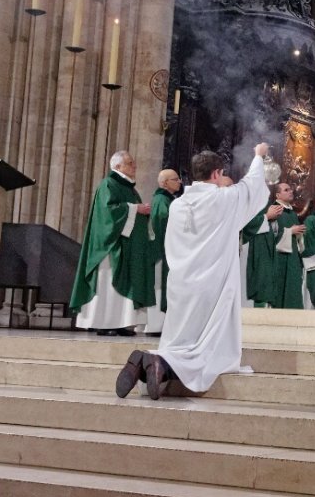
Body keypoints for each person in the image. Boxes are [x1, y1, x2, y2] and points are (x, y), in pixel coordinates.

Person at [116, 144, 272, 400]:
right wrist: (258, 156)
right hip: (212, 285)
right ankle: (160, 364)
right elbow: (252, 186)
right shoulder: (224, 199)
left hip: (181, 282)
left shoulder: (178, 205)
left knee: (180, 338)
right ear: (216, 174)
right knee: (205, 348)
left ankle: (148, 364)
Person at [70, 150, 155, 336]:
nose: (135, 166)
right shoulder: (109, 184)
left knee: (122, 285)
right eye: (130, 163)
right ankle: (105, 323)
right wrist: (135, 209)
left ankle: (121, 324)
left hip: (127, 247)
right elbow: (108, 213)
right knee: (108, 283)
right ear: (117, 166)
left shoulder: (128, 188)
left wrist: (140, 211)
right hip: (110, 248)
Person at [146, 169, 181, 335]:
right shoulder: (161, 200)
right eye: (175, 179)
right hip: (161, 250)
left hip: (166, 249)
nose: (179, 181)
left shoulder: (168, 199)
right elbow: (162, 222)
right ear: (165, 182)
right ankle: (155, 325)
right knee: (159, 286)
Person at [265, 182, 306, 308]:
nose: (290, 191)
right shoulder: (274, 210)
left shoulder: (292, 213)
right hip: (279, 257)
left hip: (292, 256)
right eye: (286, 190)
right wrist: (290, 232)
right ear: (277, 194)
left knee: (293, 290)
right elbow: (270, 235)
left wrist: (299, 233)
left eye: (290, 189)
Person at [241, 190, 283, 307]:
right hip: (247, 248)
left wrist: (272, 219)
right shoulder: (244, 202)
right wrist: (267, 216)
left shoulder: (264, 204)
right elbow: (244, 225)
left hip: (264, 249)